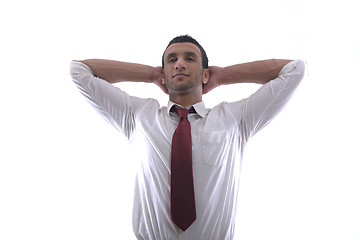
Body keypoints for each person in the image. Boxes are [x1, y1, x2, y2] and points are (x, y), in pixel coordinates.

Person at [70, 35, 306, 240]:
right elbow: (78, 71)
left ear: (205, 74)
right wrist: (152, 74)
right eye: (171, 60)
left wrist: (222, 75)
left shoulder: (235, 119)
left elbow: (295, 69)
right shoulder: (139, 116)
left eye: (189, 58)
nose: (179, 63)